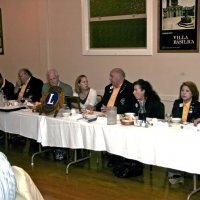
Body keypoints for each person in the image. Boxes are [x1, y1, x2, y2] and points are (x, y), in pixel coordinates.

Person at [169, 81, 200, 185]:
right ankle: (175, 173)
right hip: (178, 132)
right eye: (182, 90)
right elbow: (175, 117)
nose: (184, 93)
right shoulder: (177, 103)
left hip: (191, 135)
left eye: (187, 91)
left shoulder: (197, 105)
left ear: (193, 93)